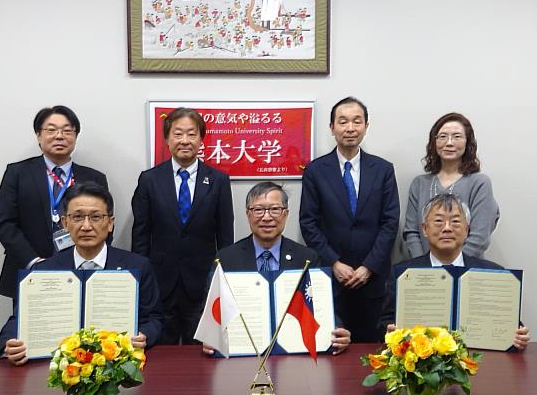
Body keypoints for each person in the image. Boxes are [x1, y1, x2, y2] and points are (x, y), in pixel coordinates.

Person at [0, 182, 163, 365]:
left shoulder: (138, 266)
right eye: (77, 217)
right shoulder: (43, 270)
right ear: (65, 223)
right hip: (57, 369)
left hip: (115, 366)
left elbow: (154, 319)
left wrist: (144, 335)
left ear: (110, 223)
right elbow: (18, 320)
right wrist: (10, 343)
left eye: (95, 217)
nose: (86, 226)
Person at [203, 181, 351, 355]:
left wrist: (338, 331)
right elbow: (210, 312)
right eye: (258, 210)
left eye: (275, 209)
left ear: (286, 214)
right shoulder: (226, 259)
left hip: (296, 356)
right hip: (241, 354)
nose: (267, 217)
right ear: (248, 214)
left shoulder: (307, 258)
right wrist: (209, 337)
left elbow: (323, 307)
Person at [300, 97, 400, 343]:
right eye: (343, 121)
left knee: (373, 351)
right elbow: (308, 223)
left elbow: (390, 222)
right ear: (332, 127)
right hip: (331, 279)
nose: (350, 128)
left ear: (366, 126)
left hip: (373, 280)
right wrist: (334, 263)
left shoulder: (383, 169)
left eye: (357, 121)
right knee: (332, 350)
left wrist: (369, 267)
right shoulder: (315, 170)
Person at [131, 107, 234, 345]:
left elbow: (225, 234)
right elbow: (141, 233)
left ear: (201, 139)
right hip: (159, 280)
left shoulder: (218, 180)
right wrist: (141, 277)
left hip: (202, 282)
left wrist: (221, 276)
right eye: (178, 134)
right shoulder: (149, 180)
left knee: (199, 352)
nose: (185, 141)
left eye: (191, 134)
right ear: (167, 139)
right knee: (160, 351)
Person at [383, 193, 529, 350]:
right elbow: (384, 321)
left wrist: (519, 336)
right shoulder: (404, 274)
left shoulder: (494, 274)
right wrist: (389, 331)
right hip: (421, 364)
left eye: (455, 222)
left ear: (467, 230)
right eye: (438, 221)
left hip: (480, 363)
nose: (447, 228)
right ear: (425, 229)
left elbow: (509, 324)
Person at [0, 106, 108, 300]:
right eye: (51, 130)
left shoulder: (94, 178)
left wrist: (85, 260)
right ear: (39, 136)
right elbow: (5, 224)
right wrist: (34, 261)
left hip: (80, 270)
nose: (59, 136)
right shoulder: (17, 173)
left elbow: (104, 224)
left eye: (67, 130)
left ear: (75, 136)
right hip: (29, 270)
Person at [403, 112, 499, 259]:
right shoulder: (420, 184)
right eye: (442, 136)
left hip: (466, 273)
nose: (449, 143)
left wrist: (452, 270)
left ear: (468, 142)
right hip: (424, 276)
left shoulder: (480, 183)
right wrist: (424, 266)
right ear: (433, 142)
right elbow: (411, 232)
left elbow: (480, 237)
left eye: (457, 136)